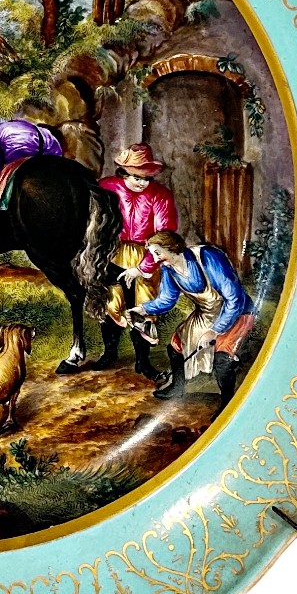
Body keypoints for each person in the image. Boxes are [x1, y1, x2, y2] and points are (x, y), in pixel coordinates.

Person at [129, 230, 255, 413]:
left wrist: (215, 330)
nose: (155, 259)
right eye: (153, 255)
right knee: (175, 345)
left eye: (158, 253)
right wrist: (142, 309)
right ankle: (177, 388)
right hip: (205, 315)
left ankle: (228, 404)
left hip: (236, 314)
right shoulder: (169, 269)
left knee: (222, 359)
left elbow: (235, 299)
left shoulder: (207, 257)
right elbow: (167, 299)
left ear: (172, 248)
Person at [96, 143, 179, 377]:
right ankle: (109, 353)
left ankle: (142, 361)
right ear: (123, 173)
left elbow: (165, 235)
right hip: (113, 251)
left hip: (146, 253)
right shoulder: (107, 187)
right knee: (110, 301)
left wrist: (143, 268)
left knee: (143, 305)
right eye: (136, 177)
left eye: (147, 178)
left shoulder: (161, 195)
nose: (142, 183)